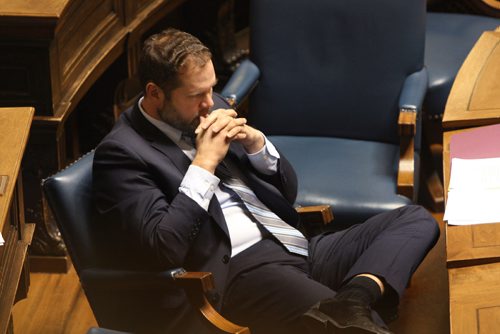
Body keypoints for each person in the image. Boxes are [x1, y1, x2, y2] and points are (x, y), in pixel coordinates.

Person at [93, 28, 440, 334]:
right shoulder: (123, 153)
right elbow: (163, 246)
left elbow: (286, 192)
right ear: (155, 94)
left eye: (211, 89)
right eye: (195, 95)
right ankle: (350, 308)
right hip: (242, 269)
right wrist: (204, 162)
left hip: (294, 243)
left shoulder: (206, 104)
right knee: (361, 331)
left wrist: (257, 145)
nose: (208, 103)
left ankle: (352, 299)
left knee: (415, 220)